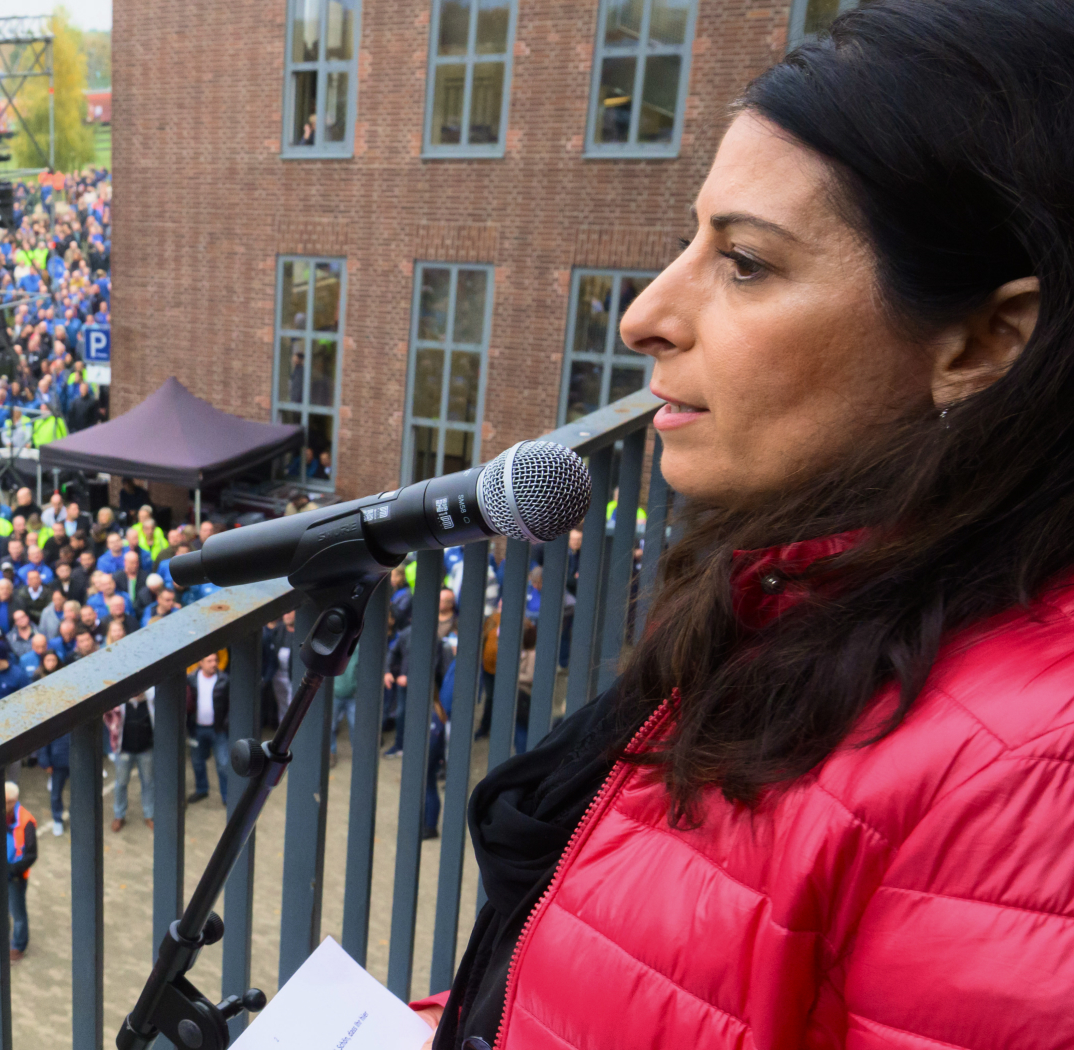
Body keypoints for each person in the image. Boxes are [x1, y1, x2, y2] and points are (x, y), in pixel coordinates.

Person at [417, 5, 1074, 1045]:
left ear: (981, 343)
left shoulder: (1031, 783)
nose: (645, 317)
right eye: (693, 241)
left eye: (747, 264)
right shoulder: (798, 593)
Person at [183, 652, 228, 807]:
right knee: (197, 761)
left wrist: (225, 724)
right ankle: (202, 789)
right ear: (200, 663)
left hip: (218, 730)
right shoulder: (191, 679)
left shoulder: (224, 680)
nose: (213, 664)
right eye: (209, 661)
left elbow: (231, 704)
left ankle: (226, 796)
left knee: (223, 763)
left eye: (215, 660)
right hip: (197, 729)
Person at [106, 690, 154, 832]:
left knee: (148, 783)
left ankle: (149, 814)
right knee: (120, 783)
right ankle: (119, 815)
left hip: (146, 750)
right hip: (124, 751)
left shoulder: (151, 700)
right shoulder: (119, 703)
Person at [2, 781, 36, 962]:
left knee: (17, 912)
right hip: (0, 871)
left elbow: (31, 855)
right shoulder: (0, 814)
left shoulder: (26, 821)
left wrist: (12, 870)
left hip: (15, 876)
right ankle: (3, 939)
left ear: (12, 801)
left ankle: (18, 946)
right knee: (1, 907)